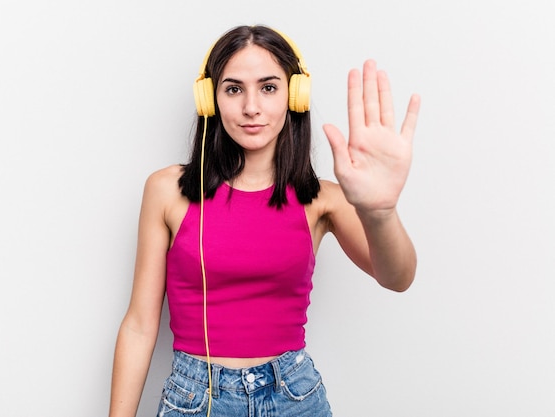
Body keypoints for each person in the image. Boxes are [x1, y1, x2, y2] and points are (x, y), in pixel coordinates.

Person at [109, 24, 420, 417]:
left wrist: (381, 212)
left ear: (294, 96)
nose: (251, 107)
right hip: (196, 399)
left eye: (269, 87)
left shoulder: (323, 199)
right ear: (210, 100)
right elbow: (139, 325)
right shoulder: (167, 190)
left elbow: (399, 277)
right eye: (234, 88)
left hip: (293, 396)